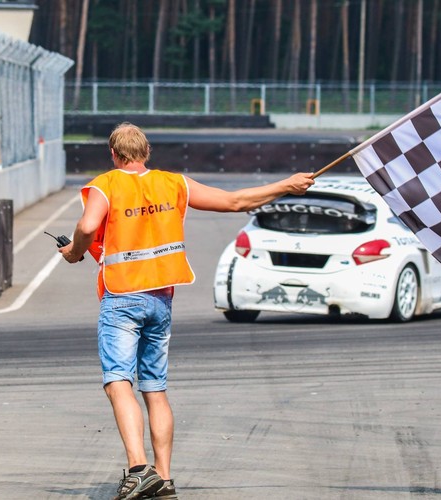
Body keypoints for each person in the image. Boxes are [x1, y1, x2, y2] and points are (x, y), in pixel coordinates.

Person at [59, 122, 314, 500]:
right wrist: (285, 185)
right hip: (161, 299)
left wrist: (75, 251)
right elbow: (235, 202)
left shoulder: (105, 184)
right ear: (147, 154)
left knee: (118, 382)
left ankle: (137, 469)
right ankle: (163, 478)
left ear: (114, 155)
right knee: (156, 389)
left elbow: (87, 224)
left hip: (122, 296)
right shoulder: (174, 183)